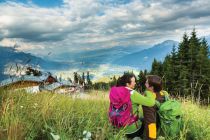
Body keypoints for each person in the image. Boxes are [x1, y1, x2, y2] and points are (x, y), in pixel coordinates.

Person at [109, 73, 156, 139]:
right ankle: (150, 138)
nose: (135, 83)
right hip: (132, 131)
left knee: (141, 119)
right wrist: (148, 92)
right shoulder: (133, 93)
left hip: (118, 128)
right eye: (134, 82)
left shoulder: (115, 92)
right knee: (149, 122)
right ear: (127, 84)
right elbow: (151, 102)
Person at [142, 75, 169, 140]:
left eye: (147, 83)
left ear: (151, 87)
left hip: (154, 127)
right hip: (163, 125)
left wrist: (151, 138)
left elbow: (150, 122)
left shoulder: (149, 101)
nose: (145, 83)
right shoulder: (164, 94)